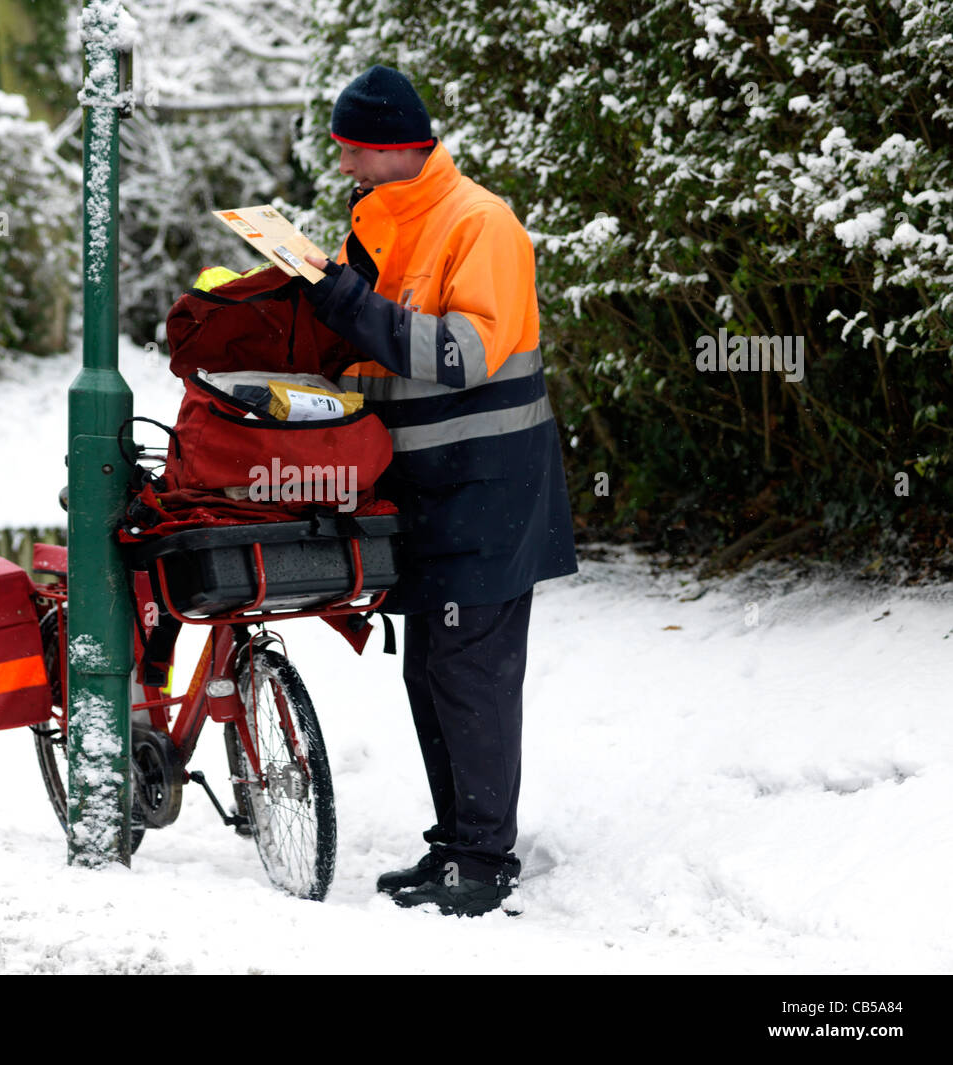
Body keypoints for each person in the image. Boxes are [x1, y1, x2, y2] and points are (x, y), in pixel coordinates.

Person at [299, 65, 578, 917]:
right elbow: (377, 352)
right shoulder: (385, 223)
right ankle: (456, 846)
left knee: (470, 675)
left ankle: (483, 861)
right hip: (428, 492)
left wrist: (346, 301)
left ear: (390, 146)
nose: (343, 165)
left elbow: (462, 354)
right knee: (432, 670)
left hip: (488, 494)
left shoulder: (478, 223)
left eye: (351, 150)